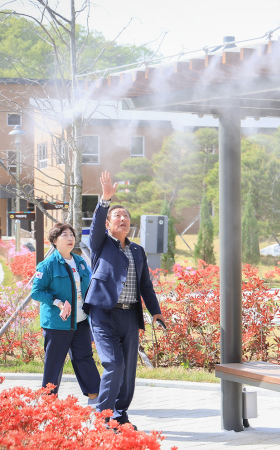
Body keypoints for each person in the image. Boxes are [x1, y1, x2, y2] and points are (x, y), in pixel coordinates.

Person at [85, 171, 165, 430]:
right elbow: (95, 225)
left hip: (130, 316)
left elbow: (146, 285)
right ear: (109, 224)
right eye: (117, 216)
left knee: (128, 370)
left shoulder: (138, 251)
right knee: (114, 364)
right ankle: (102, 416)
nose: (122, 219)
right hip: (103, 315)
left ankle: (120, 414)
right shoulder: (100, 245)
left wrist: (156, 311)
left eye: (126, 217)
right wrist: (105, 200)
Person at [31, 222, 100, 399]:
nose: (70, 238)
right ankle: (48, 401)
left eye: (72, 234)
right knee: (54, 363)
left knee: (84, 358)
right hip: (57, 324)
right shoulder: (47, 265)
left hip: (80, 321)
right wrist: (57, 302)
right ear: (54, 241)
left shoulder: (80, 262)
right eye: (64, 235)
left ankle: (96, 396)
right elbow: (37, 292)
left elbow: (90, 287)